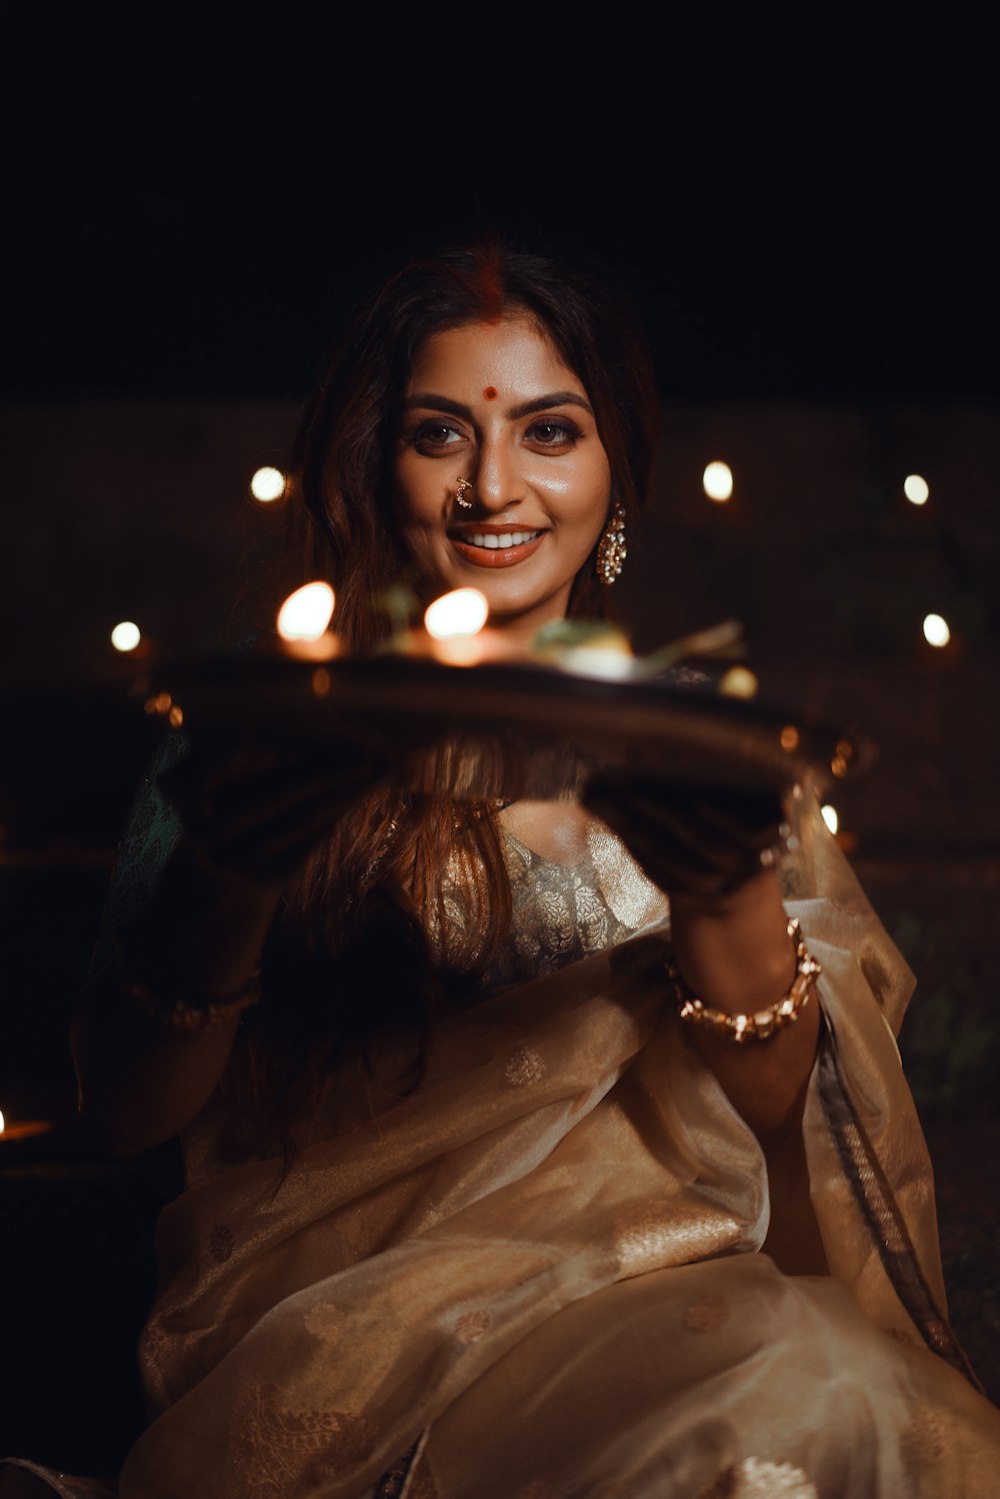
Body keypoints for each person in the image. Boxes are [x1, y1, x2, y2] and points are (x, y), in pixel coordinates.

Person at [6, 236, 1000, 1498]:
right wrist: (232, 874)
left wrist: (722, 894)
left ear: (612, 471)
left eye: (547, 431)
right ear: (375, 463)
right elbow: (125, 1111)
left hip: (684, 1299)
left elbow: (794, 1137)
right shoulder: (267, 738)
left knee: (832, 1392)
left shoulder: (700, 745)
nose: (491, 487)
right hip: (348, 1338)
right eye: (439, 434)